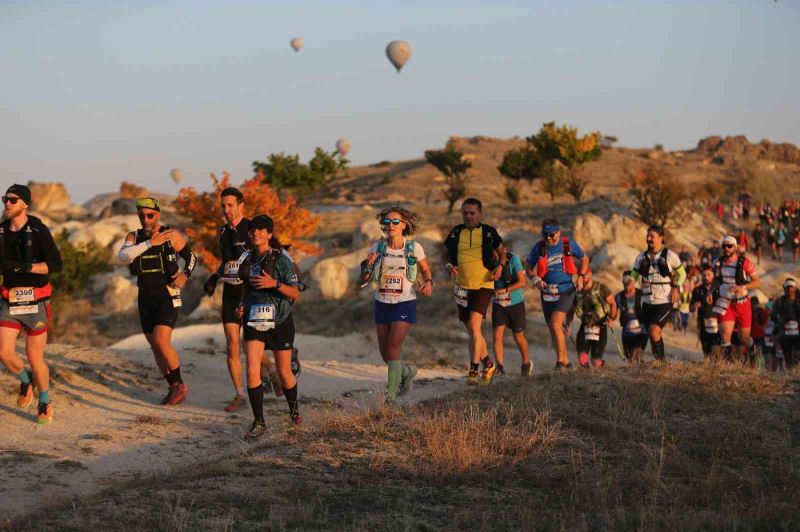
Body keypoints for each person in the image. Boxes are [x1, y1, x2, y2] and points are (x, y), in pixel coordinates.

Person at [201, 188, 282, 412]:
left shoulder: (251, 228)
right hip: (230, 291)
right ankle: (239, 395)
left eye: (230, 205)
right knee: (231, 344)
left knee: (250, 346)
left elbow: (273, 252)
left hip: (251, 294)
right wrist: (215, 276)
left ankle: (271, 369)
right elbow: (226, 261)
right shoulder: (223, 232)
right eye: (223, 206)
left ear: (241, 205)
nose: (226, 210)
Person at [119, 197, 196, 405]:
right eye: (142, 215)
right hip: (144, 294)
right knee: (154, 345)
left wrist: (185, 275)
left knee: (162, 341)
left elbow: (191, 257)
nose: (146, 219)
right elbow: (124, 256)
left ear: (158, 214)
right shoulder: (134, 236)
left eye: (150, 215)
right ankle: (172, 385)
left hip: (166, 293)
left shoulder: (171, 235)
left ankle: (180, 384)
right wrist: (150, 243)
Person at [0, 184, 62, 424]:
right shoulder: (2, 231)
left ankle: (44, 401)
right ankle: (26, 381)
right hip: (10, 300)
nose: (7, 203)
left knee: (35, 357)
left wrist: (26, 268)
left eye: (13, 200)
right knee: (4, 352)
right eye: (5, 198)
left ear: (25, 204)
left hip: (36, 301)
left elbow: (56, 265)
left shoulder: (37, 229)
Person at [236, 215, 302, 438]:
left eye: (261, 230)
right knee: (252, 369)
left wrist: (273, 283)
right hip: (254, 320)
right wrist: (242, 305)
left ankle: (294, 415)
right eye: (253, 230)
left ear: (269, 235)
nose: (256, 233)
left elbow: (295, 294)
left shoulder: (281, 259)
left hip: (280, 321)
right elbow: (245, 288)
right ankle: (259, 423)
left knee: (284, 373)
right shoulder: (245, 258)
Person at [360, 206, 433, 402]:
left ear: (404, 225)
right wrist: (368, 264)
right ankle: (408, 371)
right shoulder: (377, 248)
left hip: (404, 303)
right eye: (387, 222)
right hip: (382, 302)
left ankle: (390, 394)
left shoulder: (414, 248)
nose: (390, 225)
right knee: (386, 354)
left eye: (395, 222)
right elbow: (364, 277)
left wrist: (428, 283)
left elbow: (426, 270)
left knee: (393, 347)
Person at [443, 198, 505, 385]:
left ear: (480, 214)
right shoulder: (456, 232)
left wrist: (500, 267)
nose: (468, 216)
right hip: (462, 286)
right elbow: (445, 255)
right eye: (465, 213)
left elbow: (502, 251)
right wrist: (448, 265)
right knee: (472, 329)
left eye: (472, 213)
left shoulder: (488, 232)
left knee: (473, 324)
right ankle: (488, 364)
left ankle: (473, 371)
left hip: (484, 284)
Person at [526, 218, 589, 370]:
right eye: (545, 234)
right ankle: (566, 362)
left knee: (555, 322)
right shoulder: (539, 247)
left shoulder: (568, 244)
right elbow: (528, 267)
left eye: (551, 234)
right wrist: (535, 280)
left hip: (566, 290)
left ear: (559, 232)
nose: (548, 238)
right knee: (552, 327)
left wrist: (581, 276)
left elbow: (584, 259)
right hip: (547, 292)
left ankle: (560, 362)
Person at [630, 224, 686, 362]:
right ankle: (655, 362)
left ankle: (662, 362)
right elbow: (633, 276)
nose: (648, 239)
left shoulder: (670, 255)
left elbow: (682, 273)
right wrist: (630, 283)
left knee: (654, 331)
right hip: (647, 301)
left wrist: (676, 287)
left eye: (652, 236)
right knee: (648, 332)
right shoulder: (641, 257)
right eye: (647, 236)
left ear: (661, 238)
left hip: (664, 301)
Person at [711, 235, 760, 364]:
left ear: (735, 247)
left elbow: (757, 282)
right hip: (725, 302)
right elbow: (716, 280)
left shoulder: (745, 263)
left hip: (742, 303)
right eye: (724, 246)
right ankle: (730, 365)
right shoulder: (717, 262)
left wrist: (743, 286)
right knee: (725, 335)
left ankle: (753, 352)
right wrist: (710, 292)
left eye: (729, 246)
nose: (726, 248)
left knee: (744, 337)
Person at [491, 249, 532, 376]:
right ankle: (500, 367)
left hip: (515, 303)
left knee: (518, 336)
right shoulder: (489, 260)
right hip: (498, 303)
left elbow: (522, 281)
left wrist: (505, 290)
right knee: (497, 336)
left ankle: (526, 363)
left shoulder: (513, 259)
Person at [573, 270, 617, 368]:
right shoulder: (577, 291)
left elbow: (613, 303)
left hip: (600, 327)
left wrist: (612, 318)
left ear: (590, 273)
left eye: (584, 275)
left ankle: (603, 368)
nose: (582, 278)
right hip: (585, 326)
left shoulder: (602, 288)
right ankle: (587, 377)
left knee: (595, 362)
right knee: (582, 359)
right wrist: (567, 324)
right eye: (580, 276)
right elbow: (572, 308)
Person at [615, 270, 649, 364]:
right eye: (625, 281)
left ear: (634, 282)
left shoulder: (642, 294)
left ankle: (640, 365)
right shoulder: (618, 297)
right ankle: (638, 373)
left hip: (642, 332)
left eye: (629, 281)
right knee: (630, 360)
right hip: (627, 334)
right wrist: (609, 319)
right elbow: (612, 314)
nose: (627, 283)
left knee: (637, 355)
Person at [690, 265, 720, 359]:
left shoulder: (719, 289)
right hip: (703, 322)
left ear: (713, 275)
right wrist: (694, 307)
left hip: (717, 322)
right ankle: (708, 368)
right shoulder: (697, 290)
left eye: (708, 275)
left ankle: (718, 368)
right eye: (704, 275)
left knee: (717, 349)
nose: (706, 277)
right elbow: (690, 308)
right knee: (706, 350)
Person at [770, 279, 799, 368]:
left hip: (798, 332)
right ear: (784, 288)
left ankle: (797, 372)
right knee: (787, 356)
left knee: (797, 354)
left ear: (795, 288)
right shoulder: (779, 301)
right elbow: (773, 316)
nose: (789, 289)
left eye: (791, 287)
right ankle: (791, 374)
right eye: (787, 287)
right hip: (784, 332)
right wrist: (779, 322)